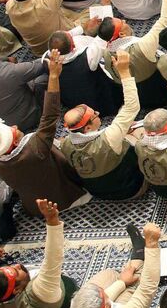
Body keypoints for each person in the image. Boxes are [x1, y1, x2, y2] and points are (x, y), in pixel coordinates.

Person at [0, 51, 89, 215]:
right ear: (14, 143)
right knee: (68, 145)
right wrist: (53, 77)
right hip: (67, 198)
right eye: (12, 131)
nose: (14, 126)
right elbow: (50, 114)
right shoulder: (35, 148)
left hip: (34, 208)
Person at [59, 50, 146, 201]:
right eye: (95, 115)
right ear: (87, 128)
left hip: (98, 194)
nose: (98, 113)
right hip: (131, 188)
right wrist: (124, 72)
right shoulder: (109, 137)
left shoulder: (65, 143)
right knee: (143, 131)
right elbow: (132, 107)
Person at [0, 188, 72, 308]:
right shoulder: (42, 294)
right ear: (17, 290)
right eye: (16, 272)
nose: (16, 265)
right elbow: (53, 259)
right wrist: (53, 221)